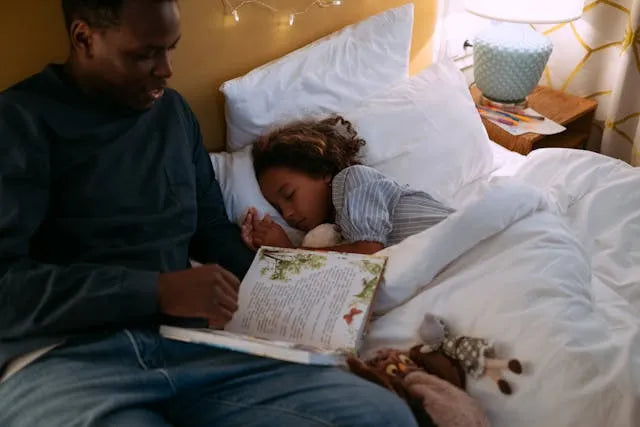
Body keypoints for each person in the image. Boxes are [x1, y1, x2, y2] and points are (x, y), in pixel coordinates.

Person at [0, 1, 421, 426]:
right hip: (60, 360)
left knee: (380, 414)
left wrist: (295, 286)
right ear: (84, 38)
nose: (166, 69)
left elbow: (211, 231)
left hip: (183, 346)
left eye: (171, 49)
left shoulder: (173, 115)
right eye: (145, 54)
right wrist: (155, 290)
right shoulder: (18, 122)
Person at [242, 116, 455, 254]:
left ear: (322, 171)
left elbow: (369, 252)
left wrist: (286, 251)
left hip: (463, 245)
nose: (287, 214)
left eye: (289, 195)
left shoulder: (352, 180)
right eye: (278, 208)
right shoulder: (335, 232)